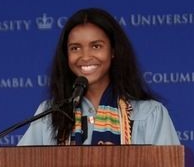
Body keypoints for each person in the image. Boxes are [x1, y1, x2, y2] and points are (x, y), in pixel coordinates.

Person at [18, 8, 180, 146]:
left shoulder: (149, 113)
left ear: (113, 51)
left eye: (96, 46)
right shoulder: (49, 113)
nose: (85, 56)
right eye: (75, 48)